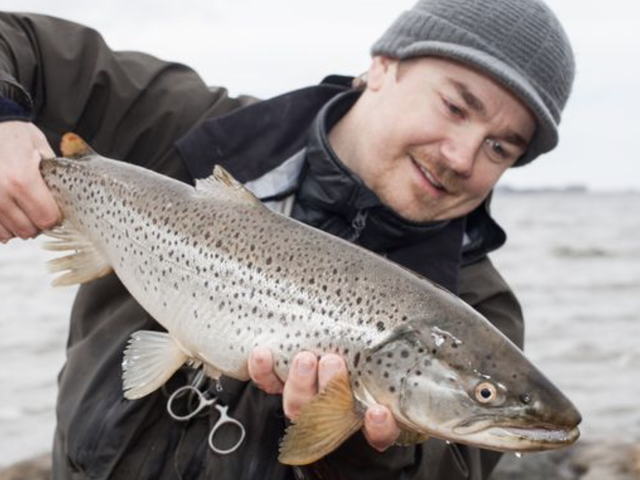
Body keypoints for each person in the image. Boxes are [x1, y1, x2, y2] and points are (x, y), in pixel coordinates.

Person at [0, 0, 575, 478]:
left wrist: (359, 449)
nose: (461, 155)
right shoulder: (184, 126)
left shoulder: (480, 309)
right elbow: (16, 38)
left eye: (500, 147)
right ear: (383, 65)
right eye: (455, 106)